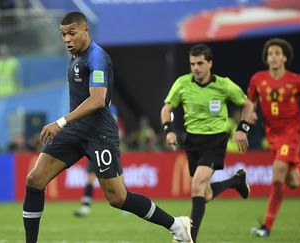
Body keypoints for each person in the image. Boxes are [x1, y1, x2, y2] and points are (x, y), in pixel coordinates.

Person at [22, 12, 193, 243]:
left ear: (85, 31)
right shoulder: (75, 57)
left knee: (118, 198)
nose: (67, 39)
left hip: (99, 134)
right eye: (63, 35)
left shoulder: (97, 57)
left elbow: (98, 99)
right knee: (35, 180)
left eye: (72, 33)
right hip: (75, 131)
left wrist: (60, 122)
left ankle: (177, 225)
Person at [161, 44, 254, 242]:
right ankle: (237, 181)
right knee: (206, 194)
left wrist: (242, 128)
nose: (196, 68)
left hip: (215, 141)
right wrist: (168, 130)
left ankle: (189, 237)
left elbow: (247, 104)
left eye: (200, 63)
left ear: (210, 63)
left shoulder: (223, 85)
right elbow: (166, 109)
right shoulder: (183, 83)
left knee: (196, 187)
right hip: (193, 141)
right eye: (192, 64)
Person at [247, 38, 300, 237]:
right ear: (266, 59)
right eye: (270, 54)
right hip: (272, 134)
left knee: (278, 170)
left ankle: (266, 227)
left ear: (285, 57)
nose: (274, 57)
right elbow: (250, 101)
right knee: (293, 181)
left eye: (277, 53)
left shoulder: (297, 81)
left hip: (291, 132)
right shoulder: (257, 79)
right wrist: (250, 112)